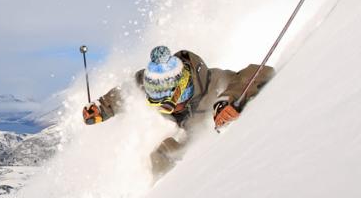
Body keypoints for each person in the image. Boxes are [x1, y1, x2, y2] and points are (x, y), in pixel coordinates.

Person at [82, 45, 274, 177]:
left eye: (169, 101)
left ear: (183, 87)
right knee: (160, 154)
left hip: (212, 143)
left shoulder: (214, 83)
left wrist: (227, 101)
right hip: (190, 136)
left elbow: (257, 73)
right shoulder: (154, 83)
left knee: (171, 152)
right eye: (157, 102)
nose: (170, 109)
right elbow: (127, 92)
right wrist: (101, 108)